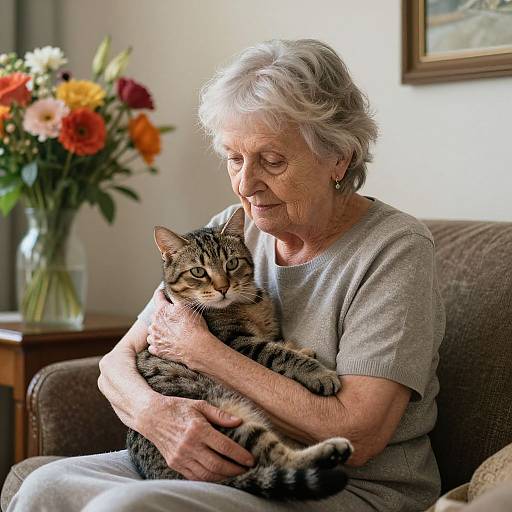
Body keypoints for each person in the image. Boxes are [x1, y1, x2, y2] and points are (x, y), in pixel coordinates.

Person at [7, 39, 445, 512]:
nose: (245, 184)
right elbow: (116, 365)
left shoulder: (394, 251)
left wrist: (206, 353)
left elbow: (358, 430)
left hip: (345, 485)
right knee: (44, 488)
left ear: (338, 157)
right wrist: (161, 418)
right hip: (222, 457)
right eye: (235, 158)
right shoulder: (228, 232)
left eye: (272, 160)